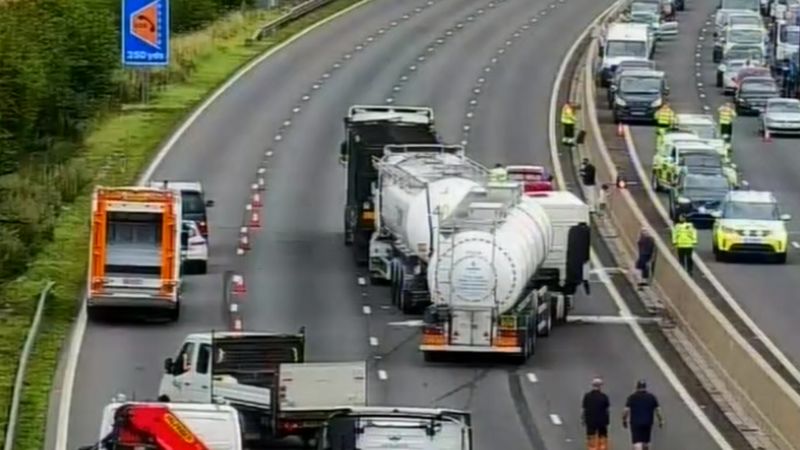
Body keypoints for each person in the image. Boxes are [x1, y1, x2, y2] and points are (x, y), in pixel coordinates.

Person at [622, 380, 664, 449]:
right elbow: (658, 410)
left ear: (637, 387)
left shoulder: (632, 397)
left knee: (637, 442)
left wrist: (624, 420)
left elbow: (626, 410)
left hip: (635, 423)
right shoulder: (651, 397)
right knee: (646, 442)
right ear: (645, 387)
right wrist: (661, 420)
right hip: (647, 422)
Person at [582, 377, 610, 450]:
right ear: (600, 386)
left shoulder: (587, 396)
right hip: (602, 421)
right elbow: (606, 408)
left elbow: (584, 408)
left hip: (590, 420)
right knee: (602, 438)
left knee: (591, 439)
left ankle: (592, 448)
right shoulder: (604, 397)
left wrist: (583, 419)